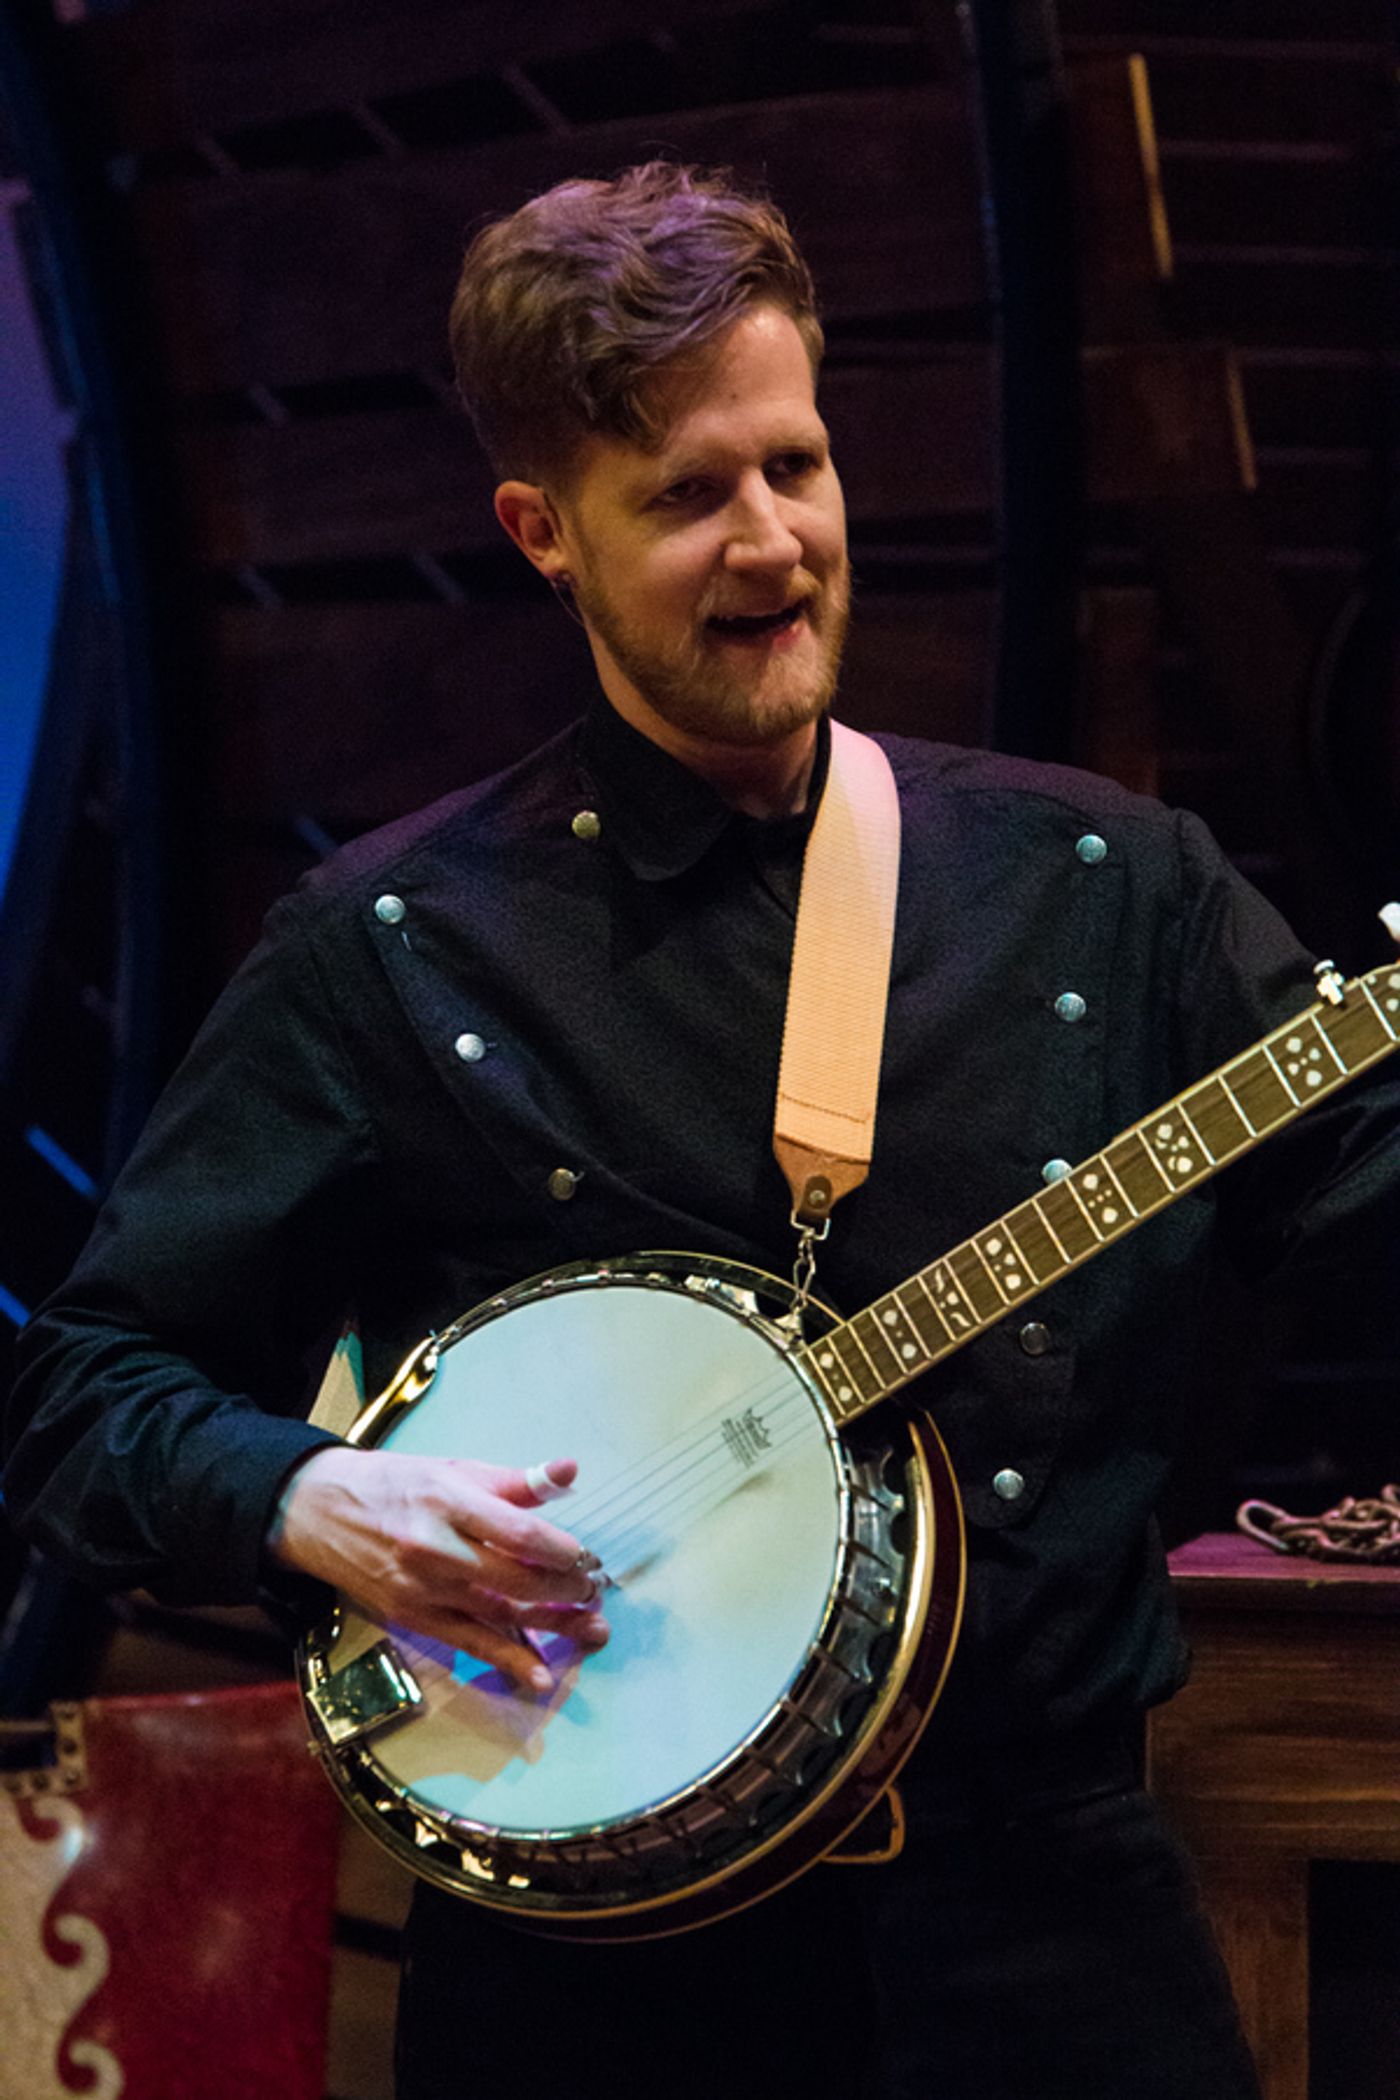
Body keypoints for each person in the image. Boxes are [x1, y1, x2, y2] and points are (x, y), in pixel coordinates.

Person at [6, 162, 1399, 2100]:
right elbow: (77, 1389)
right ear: (540, 532)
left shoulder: (1105, 882)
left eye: (795, 467)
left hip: (1055, 1946)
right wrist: (309, 1501)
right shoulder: (390, 951)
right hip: (594, 1999)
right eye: (684, 497)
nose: (772, 544)